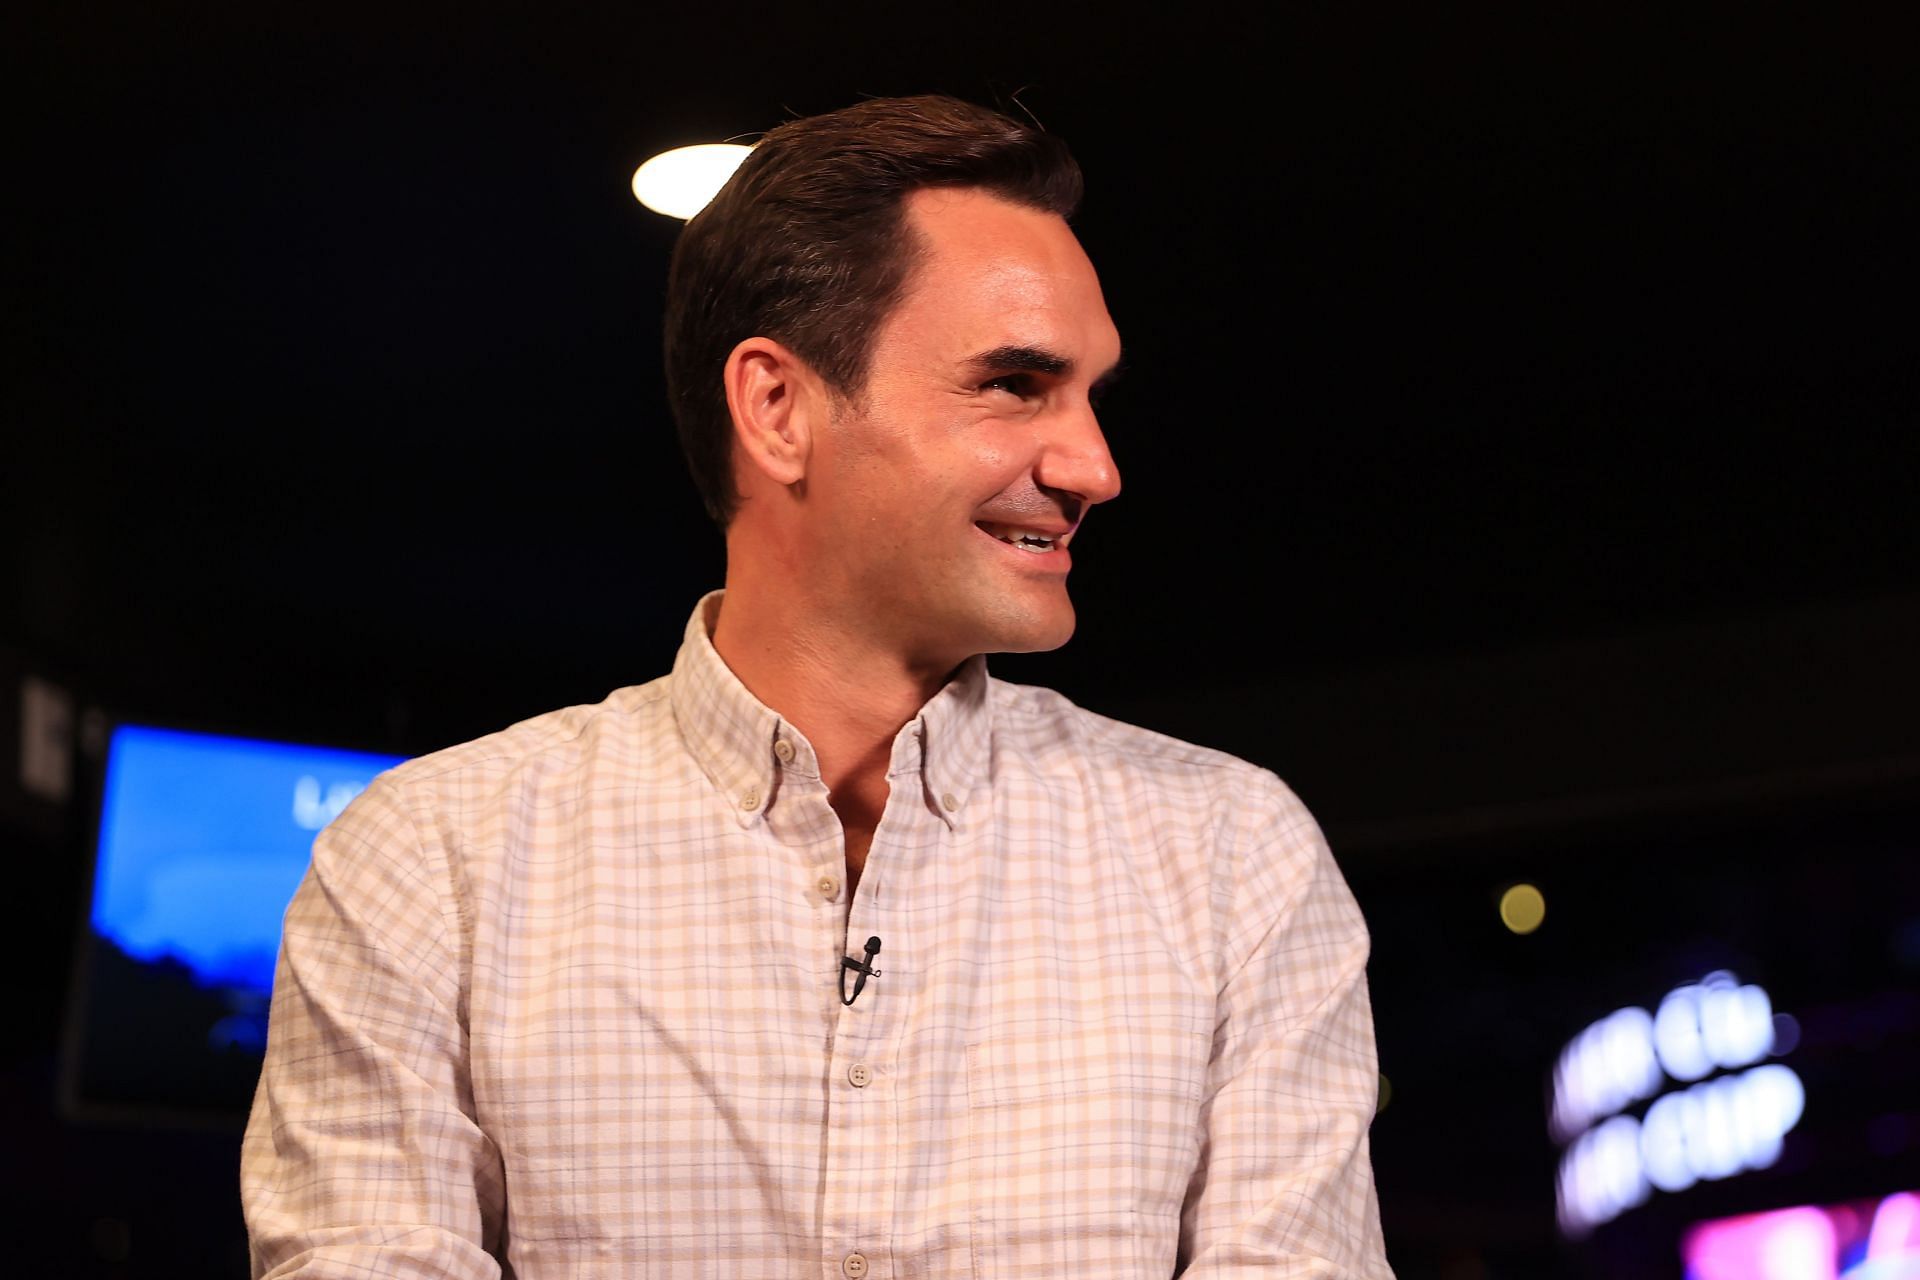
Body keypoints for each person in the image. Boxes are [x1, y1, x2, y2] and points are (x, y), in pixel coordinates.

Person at [242, 95, 1393, 1278]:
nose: (1094, 465)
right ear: (778, 407)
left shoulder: (1232, 859)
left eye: (1091, 394)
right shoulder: (435, 864)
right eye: (1013, 382)